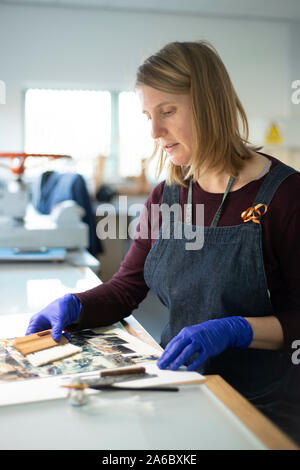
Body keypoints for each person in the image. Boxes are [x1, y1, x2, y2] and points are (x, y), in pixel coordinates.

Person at [26, 40, 300, 444]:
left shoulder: (286, 196)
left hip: (262, 406)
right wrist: (77, 305)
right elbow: (127, 287)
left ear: (210, 104)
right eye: (147, 116)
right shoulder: (168, 196)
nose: (155, 132)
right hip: (179, 387)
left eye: (167, 112)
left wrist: (237, 330)